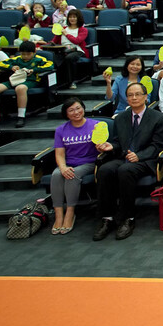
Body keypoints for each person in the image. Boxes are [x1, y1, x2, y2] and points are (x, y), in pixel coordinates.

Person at [92, 82, 163, 241]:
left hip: (146, 160)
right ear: (126, 99)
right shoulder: (120, 118)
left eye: (137, 94)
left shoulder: (158, 118)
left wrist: (139, 156)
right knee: (105, 170)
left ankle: (128, 218)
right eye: (130, 95)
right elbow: (117, 142)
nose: (134, 98)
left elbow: (159, 145)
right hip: (123, 157)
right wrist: (109, 146)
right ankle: (107, 218)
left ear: (145, 97)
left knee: (125, 171)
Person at [50, 97, 99, 235]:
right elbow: (59, 154)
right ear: (66, 114)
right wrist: (63, 167)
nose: (76, 112)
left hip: (88, 162)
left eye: (78, 108)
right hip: (69, 162)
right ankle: (58, 215)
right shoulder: (61, 130)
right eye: (71, 110)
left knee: (73, 175)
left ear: (83, 108)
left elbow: (100, 148)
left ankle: (70, 213)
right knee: (56, 174)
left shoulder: (95, 125)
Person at [0, 41, 54, 128]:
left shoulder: (39, 59)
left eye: (28, 54)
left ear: (34, 52)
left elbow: (50, 66)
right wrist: (11, 67)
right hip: (15, 80)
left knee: (20, 88)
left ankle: (21, 116)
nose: (25, 56)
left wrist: (34, 70)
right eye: (23, 54)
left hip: (31, 81)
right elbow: (1, 64)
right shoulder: (17, 59)